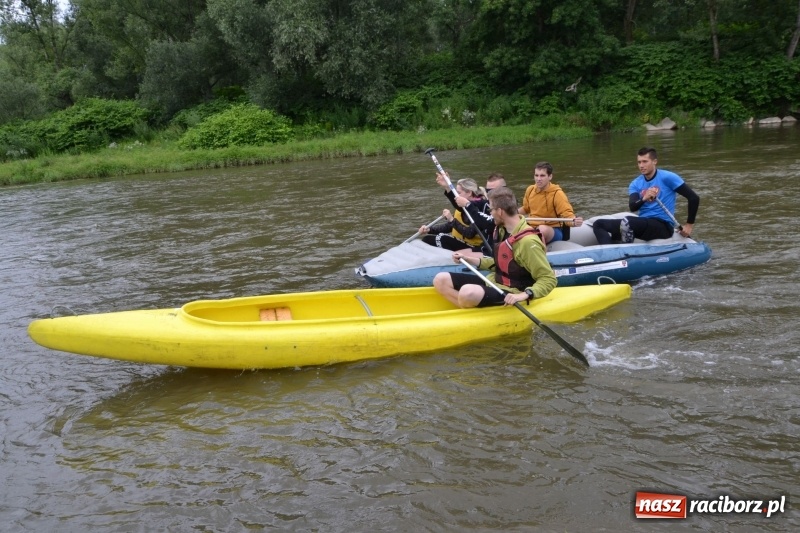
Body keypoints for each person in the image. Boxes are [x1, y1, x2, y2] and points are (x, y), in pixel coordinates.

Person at [433, 186, 557, 308]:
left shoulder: (528, 242)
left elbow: (548, 278)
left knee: (467, 292)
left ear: (500, 212)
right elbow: (501, 262)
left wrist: (525, 295)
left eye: (491, 210)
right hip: (495, 282)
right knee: (441, 279)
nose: (490, 213)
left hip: (515, 292)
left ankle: (474, 313)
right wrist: (468, 259)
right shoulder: (501, 230)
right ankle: (472, 310)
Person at [592, 147, 700, 245]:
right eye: (639, 162)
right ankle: (610, 253)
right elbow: (633, 207)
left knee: (628, 222)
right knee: (599, 224)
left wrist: (689, 225)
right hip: (643, 223)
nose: (641, 165)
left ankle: (625, 252)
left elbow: (693, 198)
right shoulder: (635, 183)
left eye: (645, 161)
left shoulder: (668, 177)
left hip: (663, 225)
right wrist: (644, 198)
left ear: (654, 162)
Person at [518, 161, 583, 244]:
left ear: (550, 176)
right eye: (536, 175)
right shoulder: (530, 190)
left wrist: (574, 222)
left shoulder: (557, 194)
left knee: (542, 229)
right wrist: (511, 214)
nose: (538, 179)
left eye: (542, 176)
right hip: (532, 226)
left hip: (553, 230)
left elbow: (567, 215)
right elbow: (525, 208)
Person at [419, 177, 489, 252]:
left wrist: (451, 220)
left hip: (476, 247)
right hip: (463, 243)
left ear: (469, 193)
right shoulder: (462, 207)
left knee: (441, 238)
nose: (456, 197)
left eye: (459, 193)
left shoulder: (480, 209)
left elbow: (469, 233)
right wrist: (429, 229)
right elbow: (450, 227)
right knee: (427, 239)